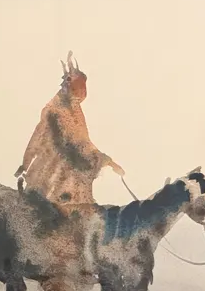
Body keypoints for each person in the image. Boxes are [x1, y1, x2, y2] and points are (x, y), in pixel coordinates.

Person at [15, 52, 124, 207]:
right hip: (55, 170)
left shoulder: (74, 108)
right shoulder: (55, 110)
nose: (81, 93)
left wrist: (109, 162)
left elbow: (83, 140)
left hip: (71, 170)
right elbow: (44, 139)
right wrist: (25, 163)